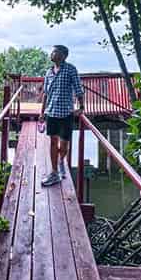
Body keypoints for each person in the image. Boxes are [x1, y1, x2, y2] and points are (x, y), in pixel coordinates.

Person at [40, 45, 84, 187]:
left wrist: (81, 107)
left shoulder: (70, 69)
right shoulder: (49, 72)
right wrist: (42, 112)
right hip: (52, 112)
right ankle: (54, 173)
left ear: (63, 55)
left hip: (66, 113)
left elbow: (78, 88)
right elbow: (45, 93)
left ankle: (61, 161)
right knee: (53, 142)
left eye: (55, 52)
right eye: (52, 51)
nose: (52, 54)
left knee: (64, 145)